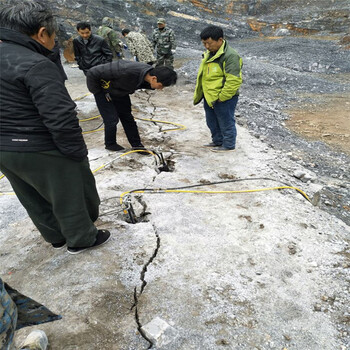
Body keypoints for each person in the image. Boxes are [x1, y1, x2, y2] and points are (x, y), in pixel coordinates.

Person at [0, 1, 111, 255]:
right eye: (53, 36)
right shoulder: (36, 64)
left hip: (3, 148)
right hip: (39, 144)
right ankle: (81, 238)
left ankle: (56, 237)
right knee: (69, 192)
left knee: (30, 195)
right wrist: (76, 153)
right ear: (41, 33)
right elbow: (60, 115)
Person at [86, 61, 177, 152]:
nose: (161, 89)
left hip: (120, 91)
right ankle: (110, 144)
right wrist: (98, 92)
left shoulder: (146, 76)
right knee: (111, 119)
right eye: (161, 86)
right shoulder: (125, 70)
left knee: (127, 117)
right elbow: (92, 72)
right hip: (104, 90)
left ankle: (137, 145)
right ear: (154, 78)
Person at [193, 25, 243, 152]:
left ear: (220, 40)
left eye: (209, 43)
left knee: (226, 121)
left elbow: (234, 80)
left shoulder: (230, 56)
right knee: (212, 121)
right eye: (204, 44)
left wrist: (222, 97)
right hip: (209, 95)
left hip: (223, 97)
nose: (207, 47)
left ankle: (228, 144)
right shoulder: (210, 53)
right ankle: (217, 141)